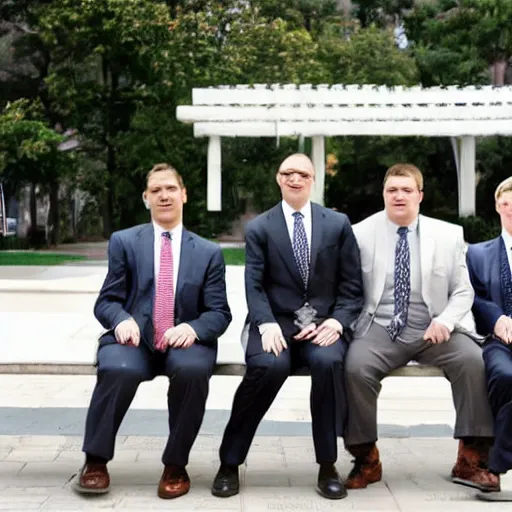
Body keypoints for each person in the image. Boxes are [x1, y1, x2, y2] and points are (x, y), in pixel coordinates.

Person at [211, 153, 364, 500]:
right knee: (268, 367)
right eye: (288, 173)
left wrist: (338, 323)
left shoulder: (337, 224)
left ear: (313, 180)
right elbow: (254, 284)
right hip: (275, 325)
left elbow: (352, 286)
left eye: (303, 174)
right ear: (278, 179)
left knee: (327, 363)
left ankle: (327, 465)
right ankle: (230, 462)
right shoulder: (261, 227)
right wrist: (265, 324)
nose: (295, 179)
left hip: (323, 325)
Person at [74, 163, 232, 499]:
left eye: (170, 189)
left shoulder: (207, 252)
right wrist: (121, 319)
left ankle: (176, 465)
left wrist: (193, 327)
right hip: (135, 340)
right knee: (116, 367)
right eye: (156, 190)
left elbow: (219, 313)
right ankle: (95, 461)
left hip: (185, 341)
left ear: (184, 195)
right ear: (146, 198)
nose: (164, 196)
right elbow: (106, 301)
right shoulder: (124, 242)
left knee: (191, 370)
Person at [344, 163, 498, 492]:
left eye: (406, 190)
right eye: (392, 190)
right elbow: (349, 288)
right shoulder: (360, 233)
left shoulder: (448, 234)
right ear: (383, 194)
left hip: (434, 327)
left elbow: (463, 289)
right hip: (380, 326)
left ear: (420, 195)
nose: (399, 196)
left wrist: (445, 320)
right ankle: (366, 458)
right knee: (355, 368)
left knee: (474, 361)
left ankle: (471, 459)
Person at [466, 176, 512, 500]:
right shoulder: (478, 254)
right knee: (505, 376)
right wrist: (496, 319)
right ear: (497, 206)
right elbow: (474, 297)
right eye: (506, 203)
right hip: (499, 341)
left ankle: (494, 468)